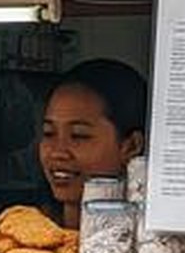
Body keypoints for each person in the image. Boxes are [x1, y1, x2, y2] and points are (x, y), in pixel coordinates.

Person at [39, 59, 147, 229]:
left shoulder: (149, 249)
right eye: (49, 133)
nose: (57, 152)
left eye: (78, 135)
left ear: (132, 146)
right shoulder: (22, 243)